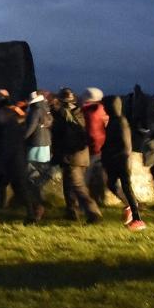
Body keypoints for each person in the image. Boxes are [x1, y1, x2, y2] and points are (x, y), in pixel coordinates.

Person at [0, 91, 41, 224]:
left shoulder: (5, 119)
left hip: (10, 157)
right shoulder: (12, 117)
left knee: (17, 186)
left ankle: (33, 212)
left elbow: (2, 141)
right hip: (13, 156)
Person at [52, 88, 101, 222]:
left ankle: (93, 213)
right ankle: (71, 211)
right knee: (69, 184)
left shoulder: (63, 115)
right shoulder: (81, 113)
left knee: (78, 185)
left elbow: (59, 135)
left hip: (71, 156)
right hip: (82, 155)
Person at [102, 94, 145, 230]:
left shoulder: (120, 122)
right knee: (111, 184)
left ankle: (138, 219)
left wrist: (112, 155)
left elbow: (124, 145)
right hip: (116, 159)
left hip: (121, 160)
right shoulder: (114, 121)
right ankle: (130, 208)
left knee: (126, 187)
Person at [24, 89, 54, 189]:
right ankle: (43, 184)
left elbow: (31, 127)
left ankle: (35, 185)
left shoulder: (35, 110)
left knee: (30, 164)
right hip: (46, 141)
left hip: (36, 141)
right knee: (43, 165)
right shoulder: (46, 109)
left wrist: (23, 138)